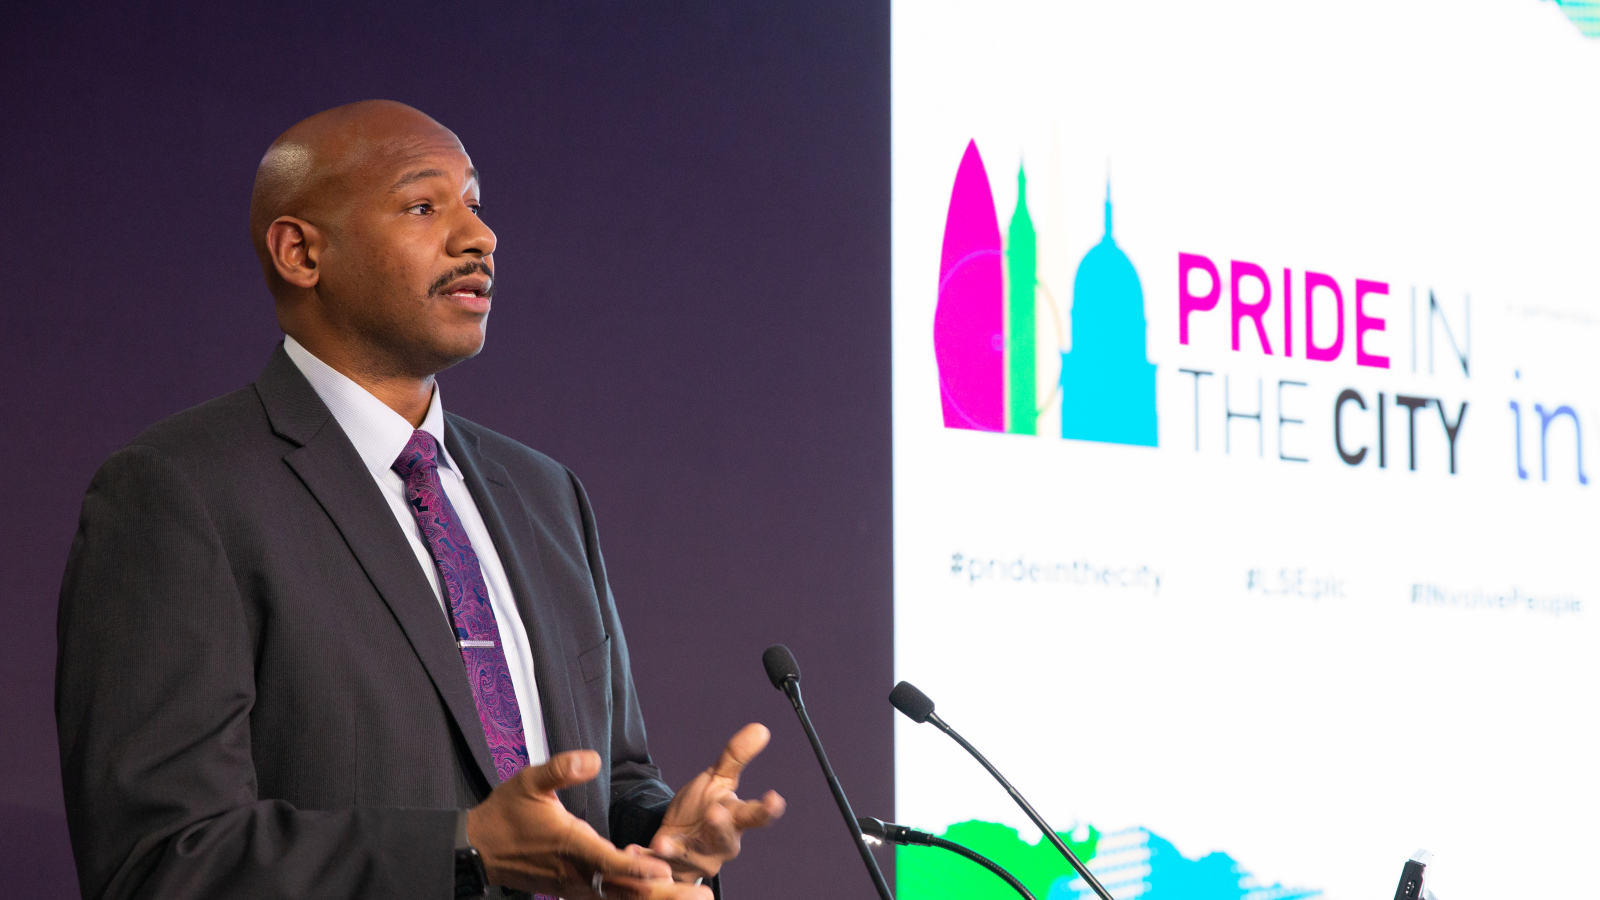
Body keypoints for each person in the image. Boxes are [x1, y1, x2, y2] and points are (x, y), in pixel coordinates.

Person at [55, 100, 784, 900]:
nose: (480, 237)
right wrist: (463, 853)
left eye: (475, 202)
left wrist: (658, 837)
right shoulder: (179, 493)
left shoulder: (545, 494)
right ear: (301, 252)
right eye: (423, 206)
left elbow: (610, 781)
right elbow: (161, 862)